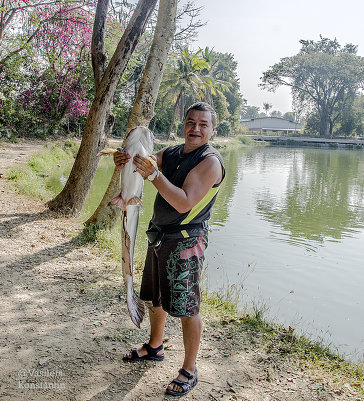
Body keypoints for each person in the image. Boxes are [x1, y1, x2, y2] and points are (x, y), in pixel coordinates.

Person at [113, 102, 225, 396]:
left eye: (203, 124)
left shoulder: (210, 161)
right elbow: (148, 160)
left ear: (213, 129)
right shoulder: (173, 152)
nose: (195, 129)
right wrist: (128, 161)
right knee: (156, 296)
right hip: (159, 235)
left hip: (187, 241)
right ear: (184, 125)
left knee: (188, 308)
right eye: (191, 122)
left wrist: (153, 175)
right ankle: (155, 346)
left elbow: (184, 201)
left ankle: (190, 369)